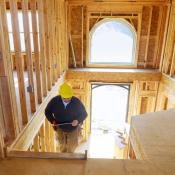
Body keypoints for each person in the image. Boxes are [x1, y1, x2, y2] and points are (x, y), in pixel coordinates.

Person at [45, 82, 87, 153]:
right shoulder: (54, 101)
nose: (67, 99)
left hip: (73, 129)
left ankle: (70, 161)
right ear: (60, 95)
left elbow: (84, 114)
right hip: (60, 129)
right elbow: (47, 111)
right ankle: (63, 161)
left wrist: (77, 120)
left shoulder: (76, 102)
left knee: (71, 148)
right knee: (62, 147)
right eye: (65, 98)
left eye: (69, 97)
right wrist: (52, 120)